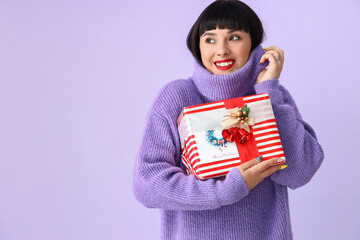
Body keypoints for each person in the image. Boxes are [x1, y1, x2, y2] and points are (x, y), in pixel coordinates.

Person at [133, 0, 324, 239]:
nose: (221, 49)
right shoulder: (177, 97)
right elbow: (147, 184)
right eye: (210, 39)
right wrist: (225, 190)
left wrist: (268, 93)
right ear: (197, 46)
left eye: (234, 37)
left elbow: (299, 173)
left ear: (252, 42)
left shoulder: (272, 95)